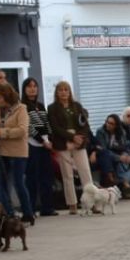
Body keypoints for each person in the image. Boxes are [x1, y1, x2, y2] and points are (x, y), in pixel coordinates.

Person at [47, 81, 91, 214]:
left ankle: (91, 201)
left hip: (79, 142)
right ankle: (72, 204)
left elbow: (84, 124)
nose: (63, 92)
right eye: (60, 90)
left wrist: (79, 138)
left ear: (70, 92)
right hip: (63, 142)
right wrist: (71, 138)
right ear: (57, 93)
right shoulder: (52, 108)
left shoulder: (77, 106)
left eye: (66, 90)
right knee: (67, 174)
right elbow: (55, 128)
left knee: (85, 171)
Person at [0, 82, 33, 220]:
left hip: (18, 152)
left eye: (0, 97)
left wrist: (1, 133)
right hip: (1, 151)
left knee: (18, 182)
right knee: (2, 183)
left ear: (7, 96)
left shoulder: (21, 109)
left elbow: (22, 130)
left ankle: (28, 213)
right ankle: (8, 212)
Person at [22, 78, 55, 217]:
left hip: (45, 145)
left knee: (46, 177)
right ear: (24, 89)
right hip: (32, 144)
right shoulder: (23, 106)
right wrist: (42, 140)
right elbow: (29, 127)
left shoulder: (40, 105)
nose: (32, 89)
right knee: (32, 178)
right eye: (29, 86)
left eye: (35, 86)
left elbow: (47, 124)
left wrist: (50, 139)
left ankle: (47, 208)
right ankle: (31, 209)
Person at [94, 112, 130, 198]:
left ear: (116, 125)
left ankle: (125, 186)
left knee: (125, 158)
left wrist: (129, 155)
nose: (108, 125)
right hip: (106, 154)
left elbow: (125, 146)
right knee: (118, 158)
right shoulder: (100, 131)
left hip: (118, 152)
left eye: (111, 124)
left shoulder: (121, 132)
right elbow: (103, 149)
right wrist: (119, 157)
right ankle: (125, 185)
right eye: (107, 122)